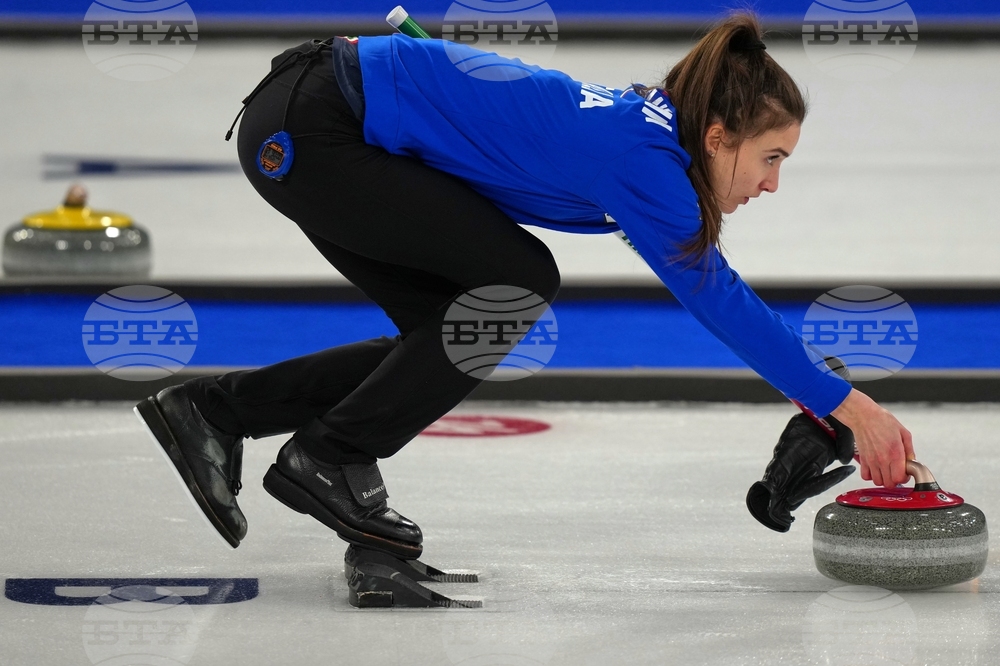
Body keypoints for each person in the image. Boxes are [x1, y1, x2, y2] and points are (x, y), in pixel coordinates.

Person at [134, 12, 914, 553]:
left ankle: (214, 413)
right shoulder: (649, 164)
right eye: (772, 158)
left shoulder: (649, 128)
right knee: (514, 280)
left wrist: (814, 393)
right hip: (314, 127)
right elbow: (715, 296)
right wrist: (847, 404)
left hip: (309, 114)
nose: (773, 184)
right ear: (718, 137)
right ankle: (331, 457)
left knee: (449, 329)